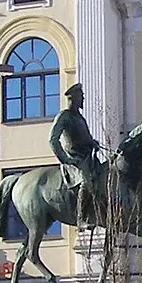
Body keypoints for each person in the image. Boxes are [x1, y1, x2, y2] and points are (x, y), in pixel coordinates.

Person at [49, 81, 106, 225]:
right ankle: (81, 218)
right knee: (85, 182)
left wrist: (92, 142)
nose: (83, 100)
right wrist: (65, 158)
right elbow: (53, 140)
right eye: (81, 97)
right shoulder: (64, 116)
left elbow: (83, 137)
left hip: (88, 158)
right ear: (73, 98)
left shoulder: (79, 117)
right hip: (74, 159)